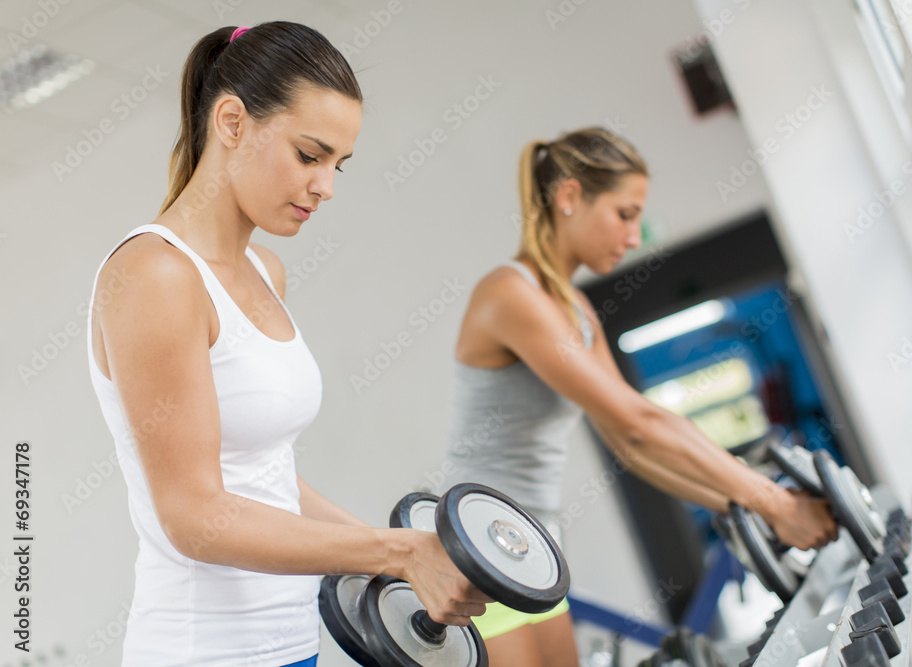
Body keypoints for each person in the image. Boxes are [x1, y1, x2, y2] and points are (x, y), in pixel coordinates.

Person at [87, 22, 489, 666]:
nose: (326, 186)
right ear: (231, 122)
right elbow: (194, 516)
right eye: (310, 155)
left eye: (339, 165)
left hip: (293, 641)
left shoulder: (265, 271)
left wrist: (406, 556)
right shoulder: (154, 275)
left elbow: (264, 478)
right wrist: (394, 552)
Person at [439, 127, 839, 667]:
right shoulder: (509, 294)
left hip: (534, 547)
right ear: (570, 196)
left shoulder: (577, 310)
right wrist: (771, 501)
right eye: (625, 214)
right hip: (477, 549)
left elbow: (633, 449)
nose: (633, 236)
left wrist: (750, 504)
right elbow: (636, 423)